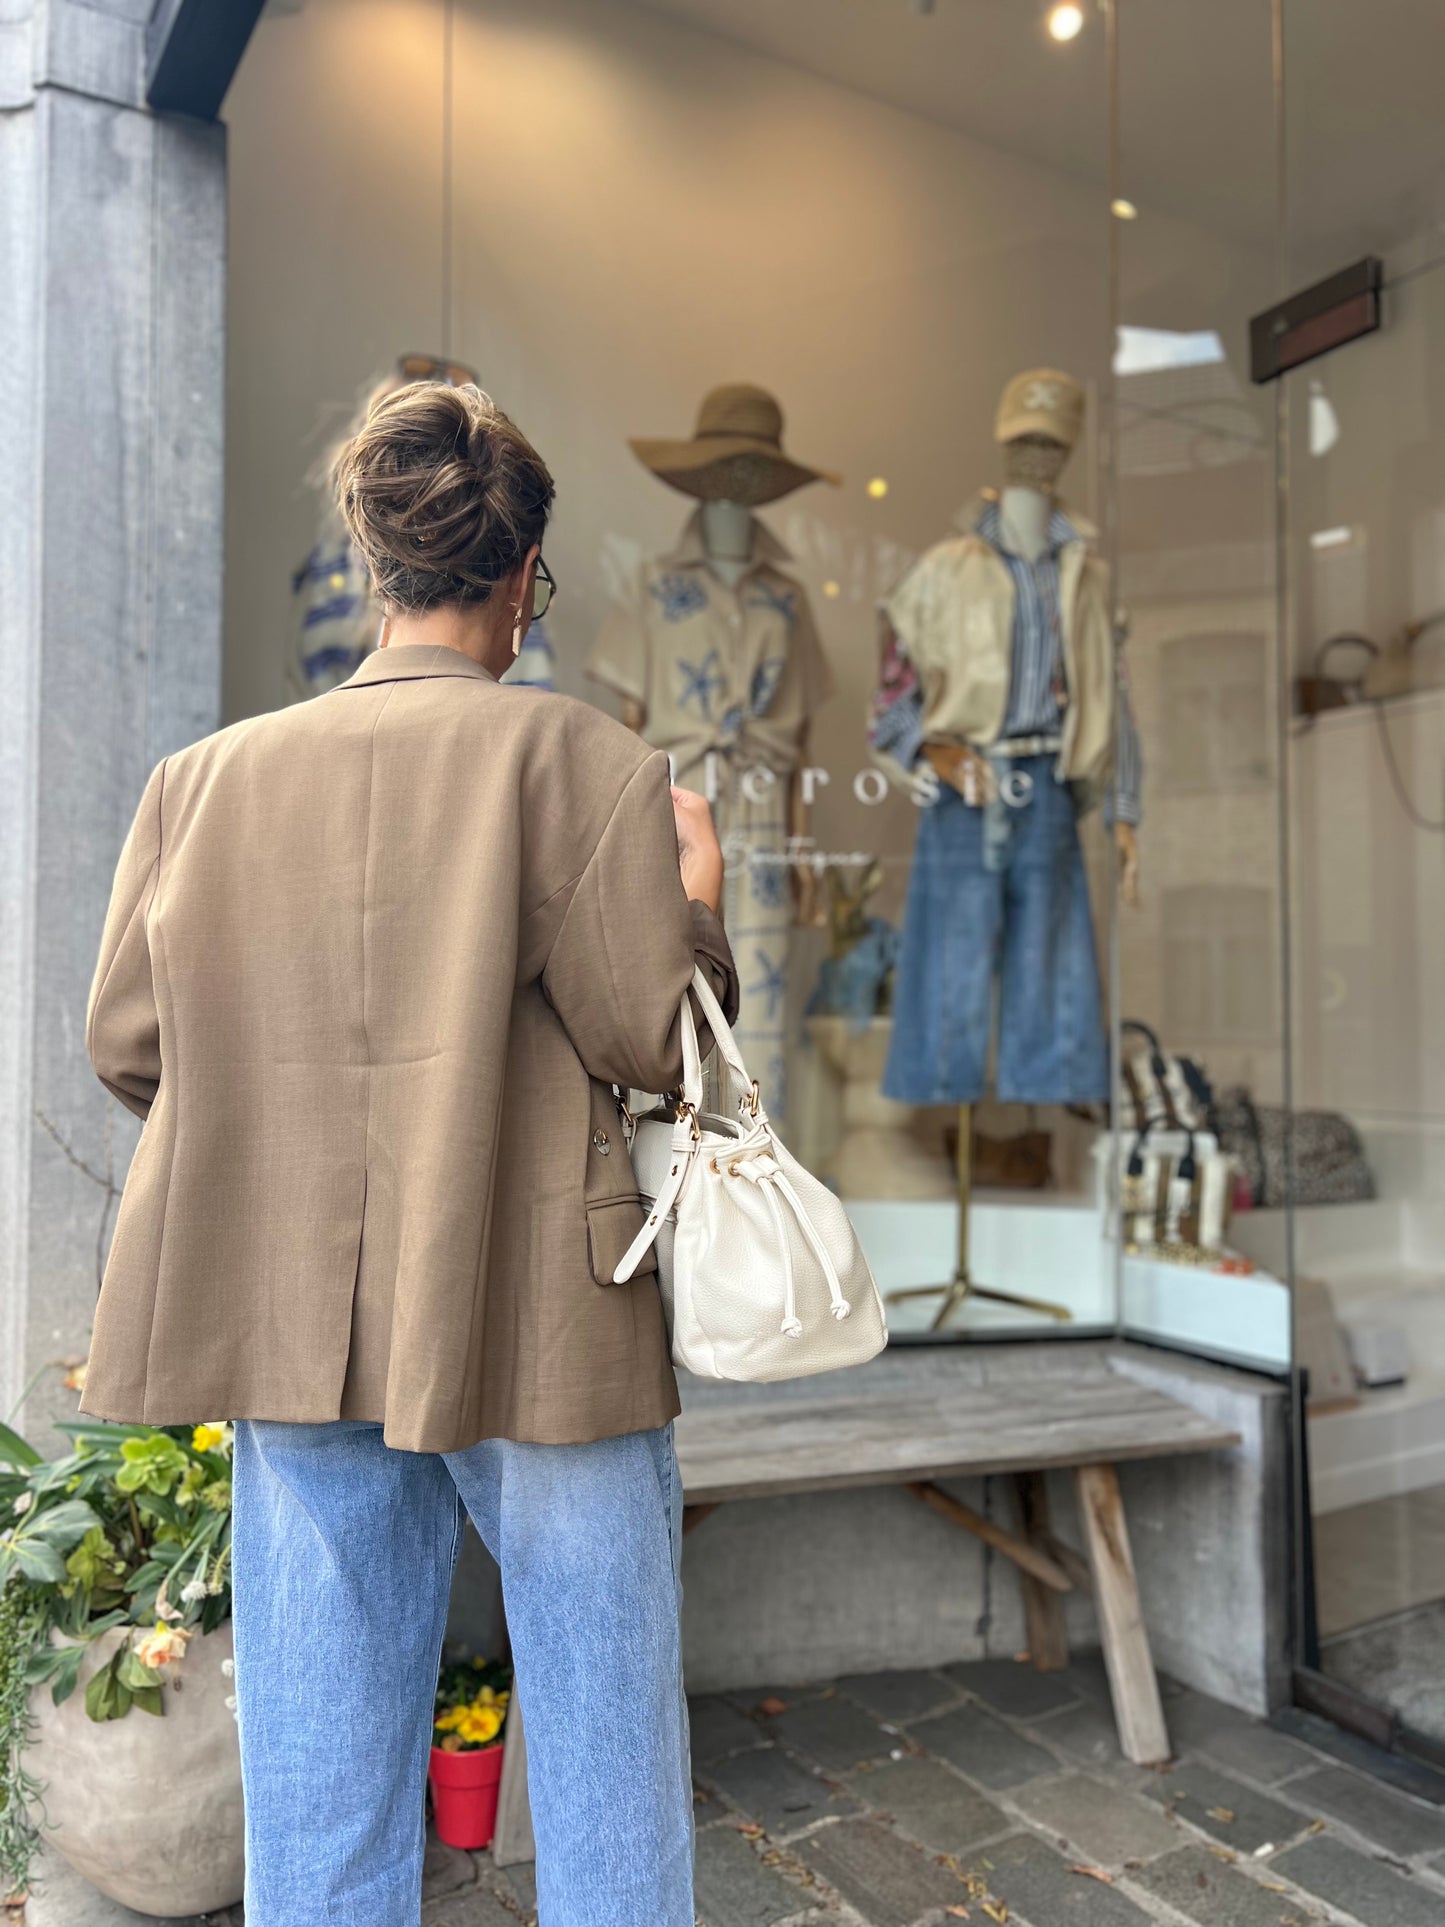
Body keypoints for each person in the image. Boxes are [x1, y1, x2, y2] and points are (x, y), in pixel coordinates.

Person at [82, 382, 736, 1927]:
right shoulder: (592, 767)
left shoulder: (201, 784)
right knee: (606, 1736)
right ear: (519, 579)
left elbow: (126, 1047)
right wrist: (696, 896)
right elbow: (664, 1046)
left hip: (291, 1308)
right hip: (543, 1316)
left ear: (377, 566)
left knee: (317, 1751)